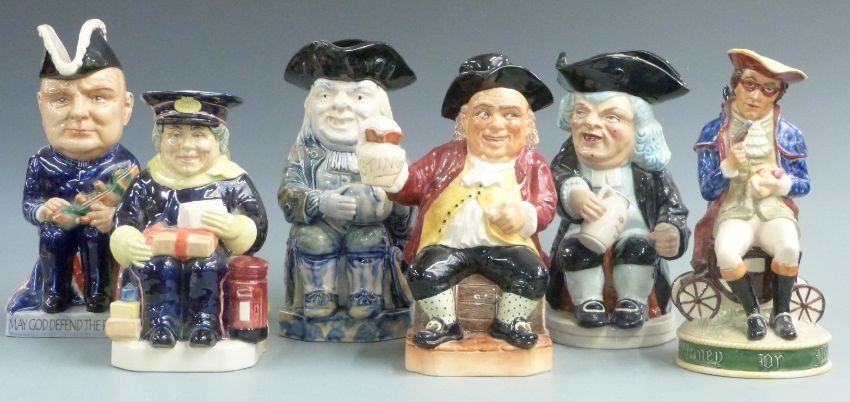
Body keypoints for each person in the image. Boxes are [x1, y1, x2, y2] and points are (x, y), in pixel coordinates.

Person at [364, 53, 557, 349]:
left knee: (533, 273)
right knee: (424, 272)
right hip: (447, 247)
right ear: (464, 121)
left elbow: (546, 205)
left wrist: (525, 214)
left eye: (510, 115)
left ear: (528, 124)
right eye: (484, 114)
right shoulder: (445, 157)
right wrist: (391, 174)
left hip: (507, 248)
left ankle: (509, 322)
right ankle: (443, 322)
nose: (497, 126)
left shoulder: (532, 164)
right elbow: (412, 186)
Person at [110, 91, 268, 348]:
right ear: (159, 140)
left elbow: (256, 222)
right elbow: (125, 218)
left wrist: (237, 229)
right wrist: (128, 240)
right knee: (159, 266)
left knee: (207, 267)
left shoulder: (231, 181)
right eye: (174, 135)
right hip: (156, 255)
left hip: (212, 257)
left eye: (198, 135)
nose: (186, 146)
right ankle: (160, 324)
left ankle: (205, 324)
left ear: (219, 141)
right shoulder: (149, 181)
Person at [547, 51, 690, 329]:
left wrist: (671, 231)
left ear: (638, 129)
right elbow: (556, 180)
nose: (591, 122)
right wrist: (574, 193)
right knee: (574, 251)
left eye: (611, 116)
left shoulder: (648, 172)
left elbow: (673, 207)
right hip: (582, 232)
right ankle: (587, 301)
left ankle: (632, 301)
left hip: (635, 232)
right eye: (581, 112)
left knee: (639, 249)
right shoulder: (569, 163)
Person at [279, 39, 416, 324]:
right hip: (320, 229)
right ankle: (319, 296)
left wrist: (393, 197)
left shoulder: (390, 157)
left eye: (359, 97)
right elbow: (288, 194)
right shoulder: (304, 155)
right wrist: (321, 202)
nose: (340, 105)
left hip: (369, 233)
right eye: (325, 95)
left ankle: (367, 296)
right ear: (310, 105)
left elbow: (408, 217)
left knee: (370, 237)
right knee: (311, 237)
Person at [8, 19, 139, 314]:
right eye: (60, 99)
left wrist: (113, 217)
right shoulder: (42, 162)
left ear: (126, 107)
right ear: (41, 105)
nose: (78, 113)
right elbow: (30, 203)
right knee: (52, 235)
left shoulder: (124, 165)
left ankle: (100, 293)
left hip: (100, 233)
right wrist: (44, 211)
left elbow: (137, 212)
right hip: (60, 229)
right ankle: (55, 292)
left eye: (99, 97)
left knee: (96, 236)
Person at [693, 49, 809, 340]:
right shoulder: (714, 132)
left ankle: (781, 312)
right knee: (725, 251)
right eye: (750, 84)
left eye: (768, 89)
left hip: (773, 211)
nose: (756, 96)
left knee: (789, 247)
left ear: (778, 95)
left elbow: (805, 183)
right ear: (735, 84)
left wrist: (780, 184)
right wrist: (728, 166)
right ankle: (753, 313)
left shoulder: (789, 134)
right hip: (734, 211)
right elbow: (707, 189)